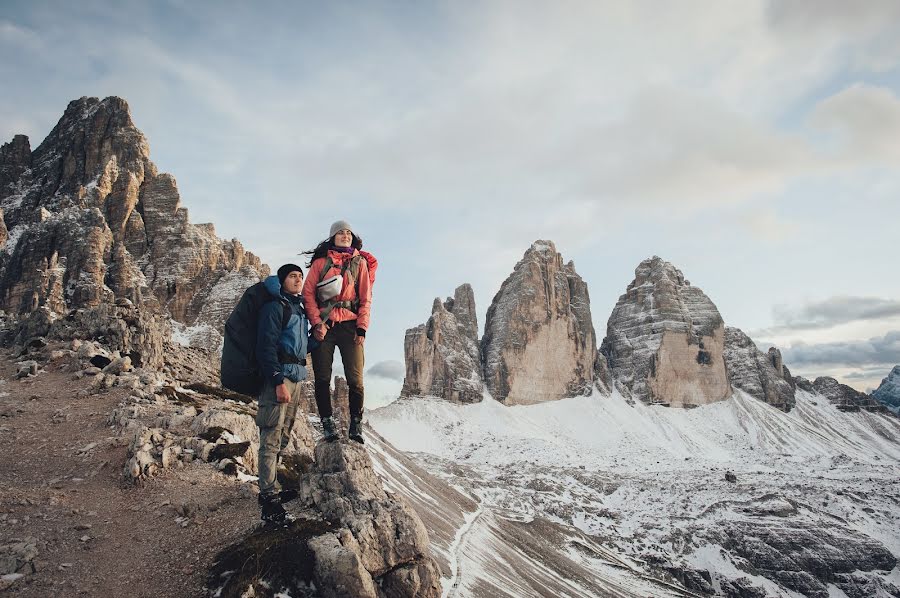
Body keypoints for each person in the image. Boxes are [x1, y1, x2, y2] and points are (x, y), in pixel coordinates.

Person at [302, 220, 372, 444]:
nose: (345, 236)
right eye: (341, 233)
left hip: (351, 326)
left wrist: (362, 327)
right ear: (333, 237)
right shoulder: (320, 263)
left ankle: (355, 425)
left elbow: (366, 298)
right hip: (326, 325)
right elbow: (308, 295)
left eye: (348, 233)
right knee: (322, 377)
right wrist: (317, 323)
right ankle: (327, 423)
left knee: (356, 379)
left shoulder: (359, 263)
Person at [255, 264, 309, 522]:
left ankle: (272, 488)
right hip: (279, 379)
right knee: (271, 434)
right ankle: (268, 498)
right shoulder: (275, 307)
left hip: (296, 379)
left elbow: (302, 347)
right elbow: (265, 346)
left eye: (300, 276)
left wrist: (318, 335)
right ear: (282, 280)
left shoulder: (298, 309)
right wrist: (277, 380)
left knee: (284, 435)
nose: (298, 280)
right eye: (292, 276)